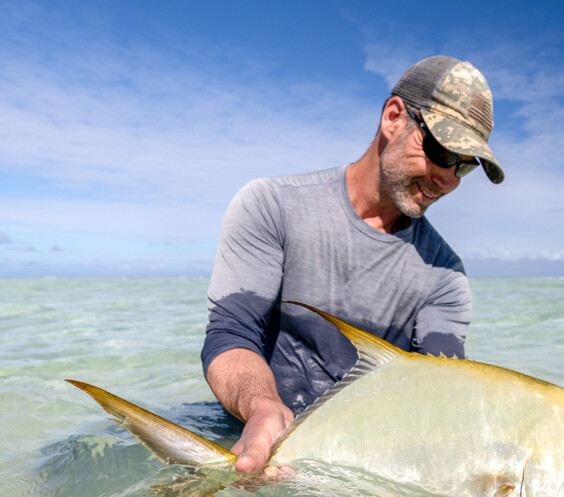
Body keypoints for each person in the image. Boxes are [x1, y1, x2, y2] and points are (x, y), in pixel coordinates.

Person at [201, 55, 504, 475]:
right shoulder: (272, 205)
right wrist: (262, 408)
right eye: (440, 150)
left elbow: (439, 396)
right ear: (394, 117)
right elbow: (231, 333)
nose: (448, 179)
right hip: (246, 436)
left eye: (465, 165)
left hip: (361, 466)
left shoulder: (445, 277)